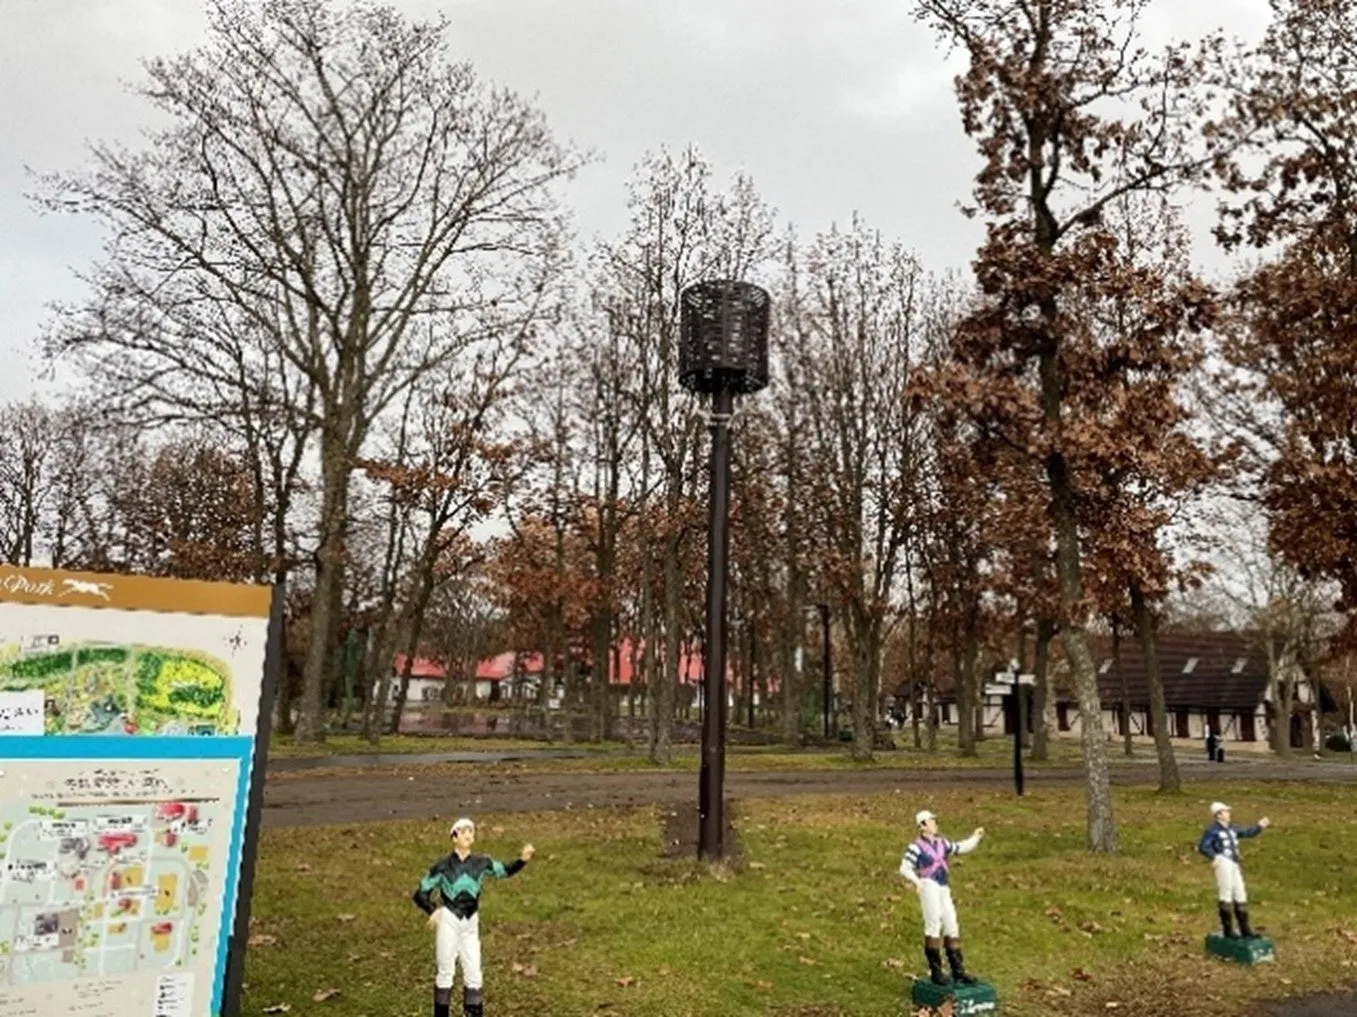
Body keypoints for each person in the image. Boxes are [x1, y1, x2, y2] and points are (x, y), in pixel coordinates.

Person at [413, 817, 534, 1017]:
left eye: (471, 830)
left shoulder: (481, 863)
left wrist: (522, 860)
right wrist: (432, 909)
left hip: (471, 921)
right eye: (463, 831)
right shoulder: (442, 867)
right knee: (445, 972)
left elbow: (503, 870)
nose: (468, 834)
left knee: (474, 972)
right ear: (454, 837)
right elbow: (421, 892)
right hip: (450, 920)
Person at [899, 809, 985, 987]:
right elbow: (905, 867)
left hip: (943, 887)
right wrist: (917, 881)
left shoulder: (942, 843)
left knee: (951, 924)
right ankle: (936, 971)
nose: (934, 824)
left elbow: (960, 847)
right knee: (933, 925)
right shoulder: (916, 847)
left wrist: (975, 837)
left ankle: (958, 970)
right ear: (923, 826)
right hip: (929, 884)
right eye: (931, 821)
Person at [1197, 801, 1270, 940]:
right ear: (1218, 815)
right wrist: (1216, 857)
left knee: (1240, 892)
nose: (1228, 814)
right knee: (1226, 893)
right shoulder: (1212, 830)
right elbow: (1203, 846)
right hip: (1224, 862)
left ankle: (1245, 928)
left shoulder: (1232, 828)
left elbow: (1247, 832)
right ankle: (1228, 929)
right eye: (1225, 811)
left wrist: (1259, 827)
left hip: (1234, 863)